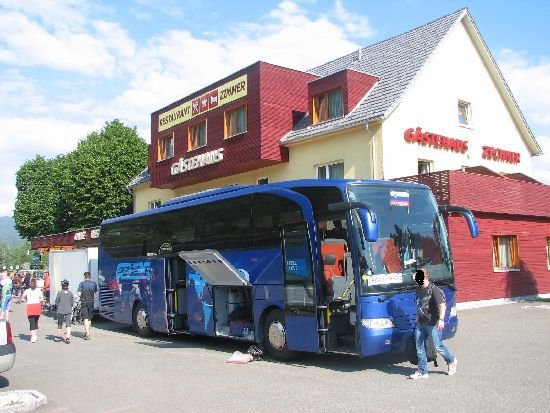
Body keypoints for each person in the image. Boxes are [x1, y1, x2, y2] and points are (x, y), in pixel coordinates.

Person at [409, 268, 457, 379]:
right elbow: (420, 305)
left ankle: (451, 361)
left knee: (437, 346)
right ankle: (422, 371)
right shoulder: (418, 290)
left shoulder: (433, 289)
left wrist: (441, 320)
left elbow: (442, 305)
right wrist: (417, 317)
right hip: (421, 323)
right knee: (419, 347)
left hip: (432, 323)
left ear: (424, 277)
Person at [21, 278, 44, 343]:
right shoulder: (39, 290)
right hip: (37, 306)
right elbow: (42, 299)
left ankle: (33, 336)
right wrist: (41, 305)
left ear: (30, 284)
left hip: (30, 306)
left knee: (31, 322)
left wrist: (24, 299)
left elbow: (23, 297)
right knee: (36, 321)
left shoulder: (27, 291)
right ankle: (35, 335)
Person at [77, 271, 97, 340]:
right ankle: (87, 331)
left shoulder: (82, 284)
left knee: (85, 318)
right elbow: (96, 292)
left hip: (84, 302)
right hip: (91, 302)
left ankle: (87, 334)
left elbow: (79, 294)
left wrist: (80, 294)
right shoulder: (94, 283)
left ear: (84, 276)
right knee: (89, 318)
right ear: (90, 276)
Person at [55, 279, 74, 344]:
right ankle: (67, 338)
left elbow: (56, 302)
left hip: (61, 310)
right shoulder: (70, 293)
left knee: (60, 324)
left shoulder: (60, 292)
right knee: (68, 324)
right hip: (68, 310)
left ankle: (58, 336)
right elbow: (72, 302)